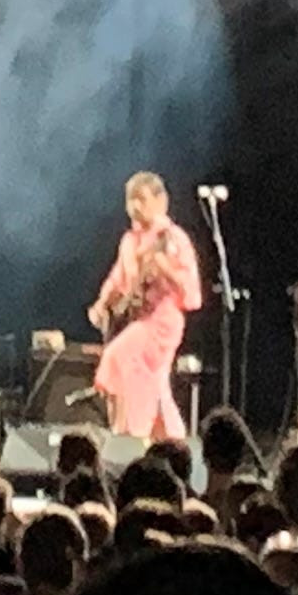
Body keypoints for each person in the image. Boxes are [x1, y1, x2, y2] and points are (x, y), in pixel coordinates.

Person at [86, 171, 204, 445]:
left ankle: (130, 437)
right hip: (138, 319)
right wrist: (101, 304)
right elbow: (118, 278)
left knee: (120, 357)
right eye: (130, 200)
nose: (134, 207)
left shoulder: (173, 238)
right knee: (156, 384)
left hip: (162, 322)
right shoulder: (129, 240)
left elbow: (193, 296)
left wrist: (167, 270)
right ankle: (173, 444)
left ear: (161, 202)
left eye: (141, 199)